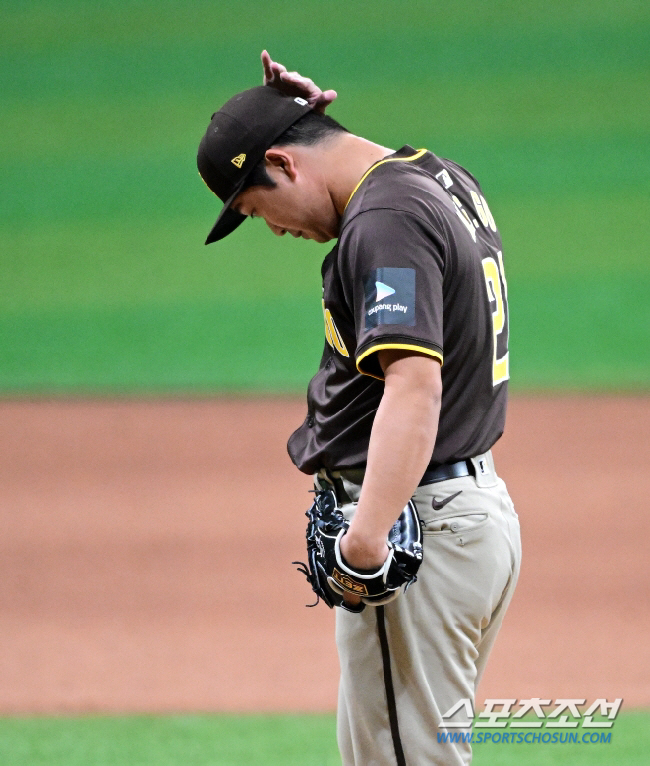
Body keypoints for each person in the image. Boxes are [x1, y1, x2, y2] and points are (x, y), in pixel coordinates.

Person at [197, 52, 522, 765]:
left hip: (421, 525)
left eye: (257, 209)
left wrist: (366, 541)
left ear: (283, 165)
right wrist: (303, 119)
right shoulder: (433, 176)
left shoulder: (385, 220)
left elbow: (413, 383)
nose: (275, 230)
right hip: (466, 511)